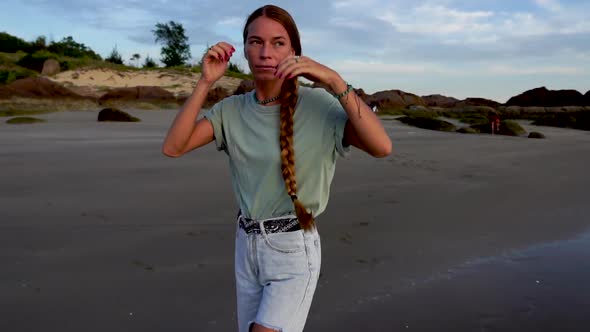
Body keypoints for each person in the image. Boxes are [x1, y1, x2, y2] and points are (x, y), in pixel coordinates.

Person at [162, 4, 392, 332]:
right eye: (255, 42)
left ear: (295, 52)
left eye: (278, 42)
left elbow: (381, 146)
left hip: (293, 249)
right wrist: (205, 83)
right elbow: (174, 147)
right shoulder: (230, 111)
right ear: (244, 50)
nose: (265, 52)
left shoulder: (320, 106)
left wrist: (332, 79)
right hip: (247, 246)